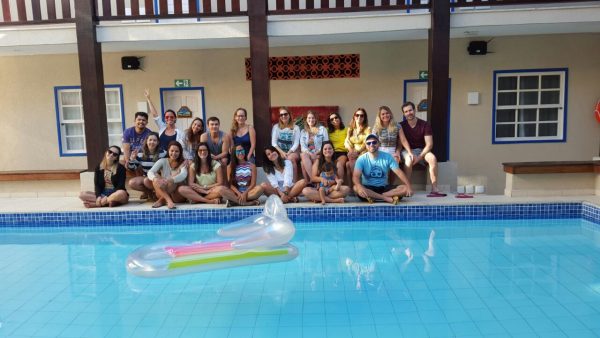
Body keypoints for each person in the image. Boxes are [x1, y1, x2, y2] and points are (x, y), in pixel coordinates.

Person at [400, 101, 446, 196]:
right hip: (407, 150)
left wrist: (419, 157)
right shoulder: (401, 126)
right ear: (404, 114)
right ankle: (407, 187)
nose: (409, 113)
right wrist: (411, 154)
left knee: (432, 158)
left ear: (414, 110)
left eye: (410, 110)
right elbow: (401, 143)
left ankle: (434, 188)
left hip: (422, 150)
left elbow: (429, 144)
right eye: (406, 111)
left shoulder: (424, 125)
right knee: (408, 160)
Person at [353, 134, 413, 204]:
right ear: (366, 146)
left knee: (405, 188)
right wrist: (359, 186)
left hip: (384, 188)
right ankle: (385, 198)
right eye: (368, 143)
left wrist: (409, 186)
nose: (371, 144)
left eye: (374, 142)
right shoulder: (361, 159)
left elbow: (399, 172)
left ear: (379, 144)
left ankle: (375, 197)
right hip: (368, 188)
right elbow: (355, 176)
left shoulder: (387, 157)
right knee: (356, 187)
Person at [147, 141, 187, 209]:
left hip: (177, 195)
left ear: (180, 152)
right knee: (155, 177)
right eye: (172, 151)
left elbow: (183, 175)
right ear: (168, 151)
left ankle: (162, 200)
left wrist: (170, 179)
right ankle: (168, 200)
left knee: (174, 180)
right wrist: (154, 178)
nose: (174, 153)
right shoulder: (163, 161)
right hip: (164, 190)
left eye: (176, 151)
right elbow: (150, 172)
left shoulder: (183, 162)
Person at [127, 132, 167, 200]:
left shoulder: (163, 153)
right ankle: (150, 193)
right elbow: (132, 168)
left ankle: (159, 194)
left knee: (146, 180)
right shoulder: (140, 153)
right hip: (147, 178)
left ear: (158, 142)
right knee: (132, 183)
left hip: (159, 178)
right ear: (146, 141)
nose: (152, 142)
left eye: (155, 140)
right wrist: (132, 159)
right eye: (150, 140)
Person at [271, 107, 300, 181]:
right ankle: (282, 182)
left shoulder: (296, 127)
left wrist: (288, 153)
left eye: (285, 114)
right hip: (280, 151)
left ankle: (294, 182)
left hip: (293, 151)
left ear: (289, 115)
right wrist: (282, 153)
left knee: (290, 159)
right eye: (281, 115)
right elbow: (274, 143)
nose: (283, 116)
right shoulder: (276, 127)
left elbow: (296, 143)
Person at [299, 110, 329, 183]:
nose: (311, 120)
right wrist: (310, 154)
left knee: (303, 164)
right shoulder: (303, 131)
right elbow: (303, 147)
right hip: (308, 154)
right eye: (309, 118)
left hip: (319, 153)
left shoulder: (322, 129)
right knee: (303, 155)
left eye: (313, 118)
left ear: (316, 119)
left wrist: (317, 153)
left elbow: (326, 143)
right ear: (306, 119)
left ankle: (309, 182)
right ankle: (314, 180)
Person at [200, 116, 231, 184]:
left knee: (224, 160)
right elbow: (203, 150)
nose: (214, 126)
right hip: (208, 155)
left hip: (221, 156)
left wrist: (216, 157)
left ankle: (225, 182)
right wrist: (211, 157)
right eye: (212, 124)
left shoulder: (224, 136)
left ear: (219, 125)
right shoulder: (204, 136)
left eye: (216, 124)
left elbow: (225, 152)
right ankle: (209, 182)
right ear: (208, 126)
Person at [345, 108, 371, 183]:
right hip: (353, 153)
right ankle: (355, 186)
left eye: (362, 115)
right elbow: (347, 141)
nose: (359, 117)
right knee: (349, 163)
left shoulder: (367, 129)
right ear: (354, 117)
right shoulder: (350, 129)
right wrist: (351, 151)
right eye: (357, 115)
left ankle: (357, 186)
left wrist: (358, 152)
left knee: (350, 164)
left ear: (364, 117)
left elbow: (366, 143)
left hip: (363, 153)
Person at [327, 112, 348, 180]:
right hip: (330, 153)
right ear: (330, 122)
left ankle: (340, 184)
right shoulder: (327, 130)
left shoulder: (346, 129)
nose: (334, 120)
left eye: (336, 117)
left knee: (339, 164)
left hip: (342, 152)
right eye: (332, 119)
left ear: (339, 118)